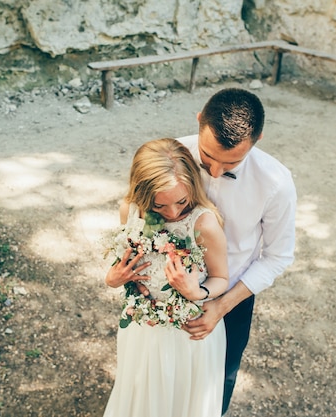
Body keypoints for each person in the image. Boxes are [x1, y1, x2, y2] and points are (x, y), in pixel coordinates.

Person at [173, 87, 297, 416]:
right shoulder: (170, 156)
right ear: (199, 121)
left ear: (257, 139)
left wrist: (221, 306)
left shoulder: (275, 183)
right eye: (207, 157)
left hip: (232, 298)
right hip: (168, 291)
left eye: (231, 163)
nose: (214, 172)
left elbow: (277, 256)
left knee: (218, 383)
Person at [102, 138, 230, 417]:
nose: (173, 213)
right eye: (159, 206)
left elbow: (221, 277)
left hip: (190, 335)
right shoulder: (130, 211)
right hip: (142, 329)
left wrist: (196, 292)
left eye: (181, 201)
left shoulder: (203, 222)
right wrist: (113, 278)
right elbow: (125, 260)